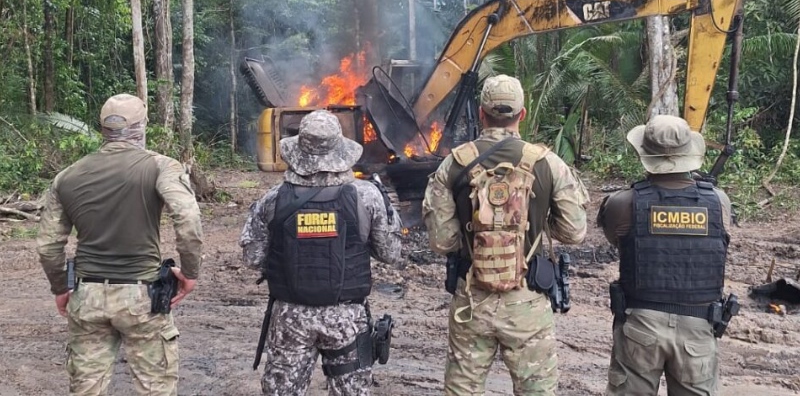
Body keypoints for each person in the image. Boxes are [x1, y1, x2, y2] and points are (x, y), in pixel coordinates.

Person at [422, 74, 589, 396]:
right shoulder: (548, 164)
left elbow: (441, 241)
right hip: (526, 302)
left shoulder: (453, 164)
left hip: (471, 298)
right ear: (522, 115)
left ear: (481, 113)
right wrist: (536, 225)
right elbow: (574, 232)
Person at [36, 93, 204, 396]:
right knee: (155, 388)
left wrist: (61, 288)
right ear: (141, 127)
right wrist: (190, 272)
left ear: (103, 129)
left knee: (85, 389)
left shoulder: (67, 176)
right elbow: (188, 218)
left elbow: (48, 245)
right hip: (142, 297)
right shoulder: (160, 166)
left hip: (87, 296)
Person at [240, 109, 403, 396]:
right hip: (346, 318)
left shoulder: (273, 199)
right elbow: (390, 253)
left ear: (298, 147)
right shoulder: (367, 197)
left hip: (290, 316)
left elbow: (252, 258)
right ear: (339, 148)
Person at [597, 114, 733, 396]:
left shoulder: (624, 202)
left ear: (645, 153)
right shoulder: (719, 202)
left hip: (641, 326)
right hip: (698, 327)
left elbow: (615, 239)